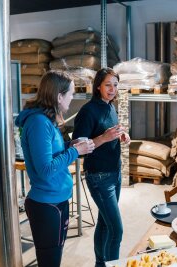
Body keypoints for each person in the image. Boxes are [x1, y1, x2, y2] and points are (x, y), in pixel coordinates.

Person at [15, 71, 95, 267]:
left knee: (54, 260)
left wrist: (70, 146)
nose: (72, 98)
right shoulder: (39, 123)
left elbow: (52, 154)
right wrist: (75, 151)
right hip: (46, 204)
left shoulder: (46, 120)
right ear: (59, 96)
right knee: (50, 262)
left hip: (56, 199)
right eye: (70, 94)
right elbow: (45, 168)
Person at [72, 67, 130, 267]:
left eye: (115, 85)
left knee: (105, 223)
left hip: (115, 172)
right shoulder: (88, 111)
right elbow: (78, 146)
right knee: (117, 229)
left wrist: (121, 135)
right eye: (108, 85)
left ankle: (100, 263)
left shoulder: (110, 106)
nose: (112, 89)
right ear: (98, 86)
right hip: (99, 176)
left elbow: (111, 132)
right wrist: (104, 137)